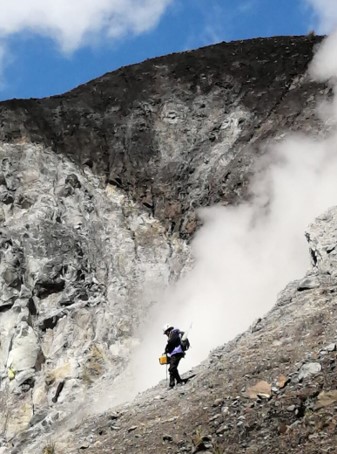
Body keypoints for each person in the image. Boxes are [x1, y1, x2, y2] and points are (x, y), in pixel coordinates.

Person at [163, 323, 187, 389]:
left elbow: (171, 342)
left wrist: (167, 349)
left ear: (168, 331)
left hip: (176, 353)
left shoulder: (173, 333)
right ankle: (179, 381)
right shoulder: (176, 332)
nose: (166, 335)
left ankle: (172, 384)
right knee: (173, 368)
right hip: (177, 353)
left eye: (165, 333)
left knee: (171, 368)